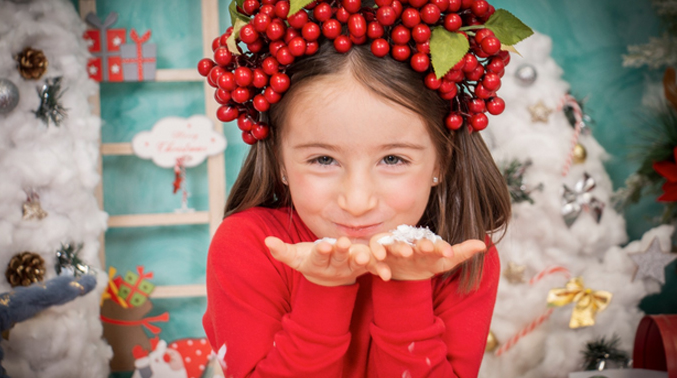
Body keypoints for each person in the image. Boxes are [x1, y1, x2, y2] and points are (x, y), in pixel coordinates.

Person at [202, 0, 521, 376]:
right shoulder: (249, 246)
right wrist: (323, 286)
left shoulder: (462, 254)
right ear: (279, 161)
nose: (356, 202)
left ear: (441, 162)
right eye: (323, 160)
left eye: (393, 160)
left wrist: (407, 283)